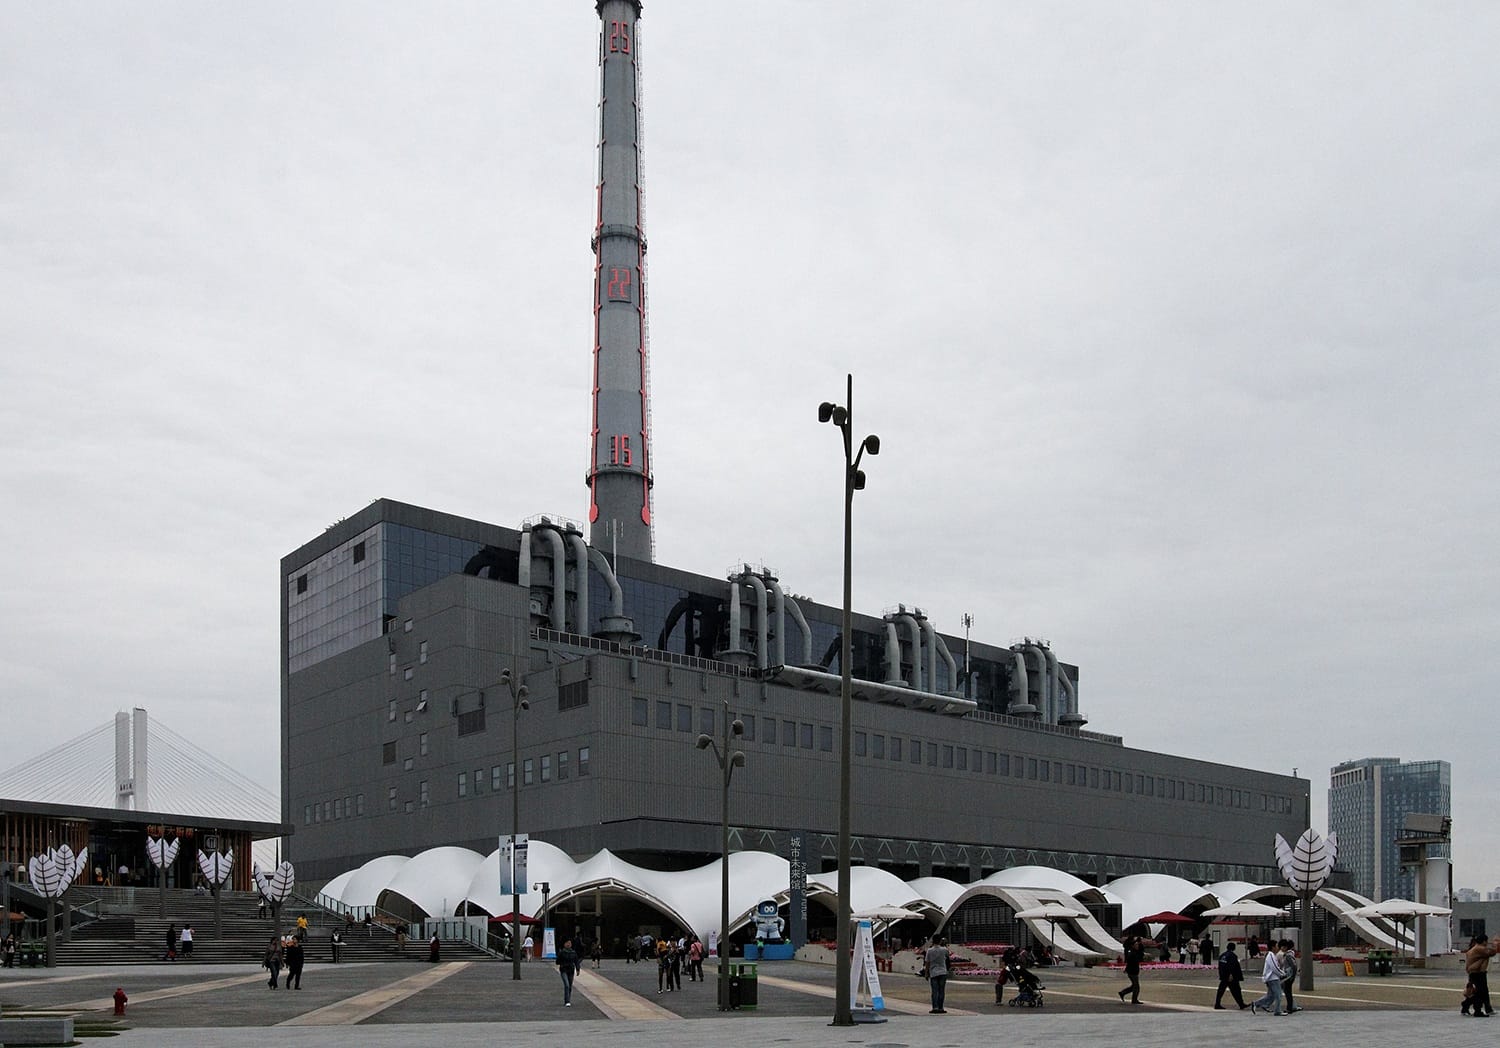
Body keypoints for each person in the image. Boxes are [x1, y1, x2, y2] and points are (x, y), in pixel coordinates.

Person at [1463, 933, 1497, 1017]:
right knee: (1480, 992)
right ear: (1484, 941)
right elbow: (1491, 953)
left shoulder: (1473, 948)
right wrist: (1495, 946)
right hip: (1478, 973)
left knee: (1479, 991)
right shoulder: (1479, 949)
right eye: (1486, 941)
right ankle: (1473, 1008)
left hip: (1474, 972)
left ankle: (1486, 1008)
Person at [1248, 943, 1284, 1015]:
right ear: (1273, 947)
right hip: (1273, 978)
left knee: (1270, 995)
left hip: (1271, 978)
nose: (1277, 948)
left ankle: (1256, 1003)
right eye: (1276, 946)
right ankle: (1277, 1011)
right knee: (1278, 995)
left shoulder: (1271, 955)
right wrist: (1282, 974)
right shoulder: (1271, 955)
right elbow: (1274, 967)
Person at [1214, 941, 1248, 1009]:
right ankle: (1241, 1004)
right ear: (1234, 948)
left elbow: (1220, 966)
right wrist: (1231, 974)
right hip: (1231, 977)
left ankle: (1217, 1003)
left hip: (1223, 976)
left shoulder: (1222, 955)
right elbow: (1232, 966)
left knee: (1221, 990)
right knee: (1236, 990)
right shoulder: (1232, 956)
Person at [925, 936, 952, 1014]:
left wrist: (926, 973)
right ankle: (941, 1007)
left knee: (934, 991)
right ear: (940, 941)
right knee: (941, 990)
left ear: (933, 941)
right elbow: (947, 958)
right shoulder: (944, 950)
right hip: (943, 971)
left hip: (933, 972)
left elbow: (927, 962)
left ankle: (935, 1007)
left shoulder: (929, 951)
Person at [1118, 935, 1143, 1004]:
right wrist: (1127, 969)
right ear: (1133, 946)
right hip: (1132, 972)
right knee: (1136, 987)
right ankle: (1134, 1000)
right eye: (1136, 945)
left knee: (1134, 986)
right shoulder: (1132, 953)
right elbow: (1130, 963)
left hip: (1133, 971)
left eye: (1137, 945)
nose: (1137, 946)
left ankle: (1122, 993)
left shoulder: (1134, 952)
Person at [1279, 940, 1301, 1012]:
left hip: (1288, 976)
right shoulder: (1289, 954)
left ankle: (1289, 1008)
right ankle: (1291, 1007)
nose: (1281, 948)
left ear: (1286, 947)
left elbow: (1294, 966)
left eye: (1282, 947)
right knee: (1288, 992)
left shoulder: (1288, 955)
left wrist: (1292, 976)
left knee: (1288, 992)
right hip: (1289, 976)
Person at [557, 937, 579, 1005]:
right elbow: (557, 961)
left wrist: (578, 969)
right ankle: (567, 1001)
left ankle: (568, 998)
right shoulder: (562, 952)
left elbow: (576, 961)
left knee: (570, 985)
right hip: (564, 970)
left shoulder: (573, 952)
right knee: (566, 985)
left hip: (571, 970)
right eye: (567, 943)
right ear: (564, 944)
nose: (568, 944)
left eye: (570, 943)